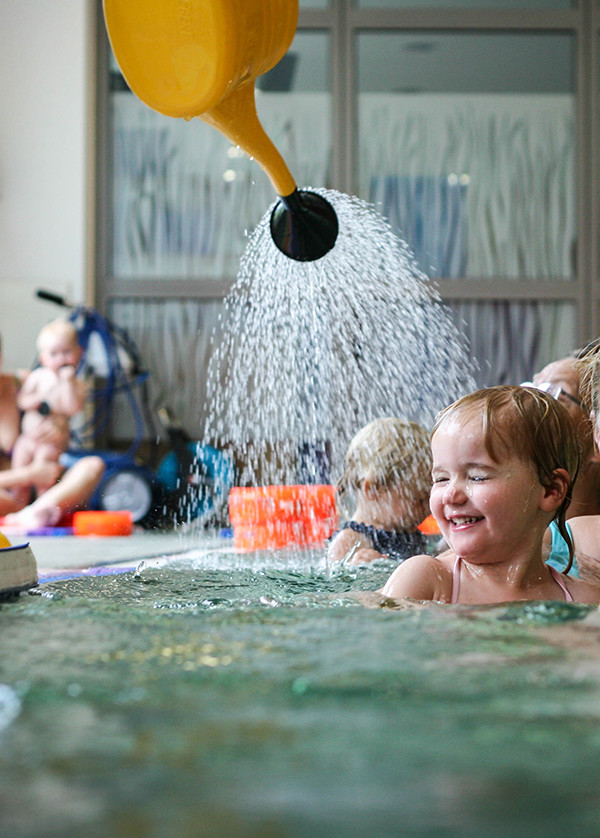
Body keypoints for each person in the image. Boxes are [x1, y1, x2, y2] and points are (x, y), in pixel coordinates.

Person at [380, 386, 600, 604]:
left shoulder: (584, 599)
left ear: (551, 489)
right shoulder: (428, 582)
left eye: (477, 477)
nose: (451, 495)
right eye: (441, 479)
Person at [327, 416, 432, 565]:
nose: (429, 508)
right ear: (374, 489)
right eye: (418, 499)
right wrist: (356, 570)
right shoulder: (350, 541)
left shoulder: (404, 531)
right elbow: (334, 584)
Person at [10, 319, 88, 508]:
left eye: (66, 352)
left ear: (78, 353)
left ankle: (41, 508)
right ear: (43, 358)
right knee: (19, 475)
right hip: (27, 440)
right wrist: (34, 402)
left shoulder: (76, 383)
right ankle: (18, 508)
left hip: (50, 443)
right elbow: (22, 400)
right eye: (54, 354)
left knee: (45, 476)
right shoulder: (38, 377)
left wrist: (68, 382)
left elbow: (73, 408)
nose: (60, 358)